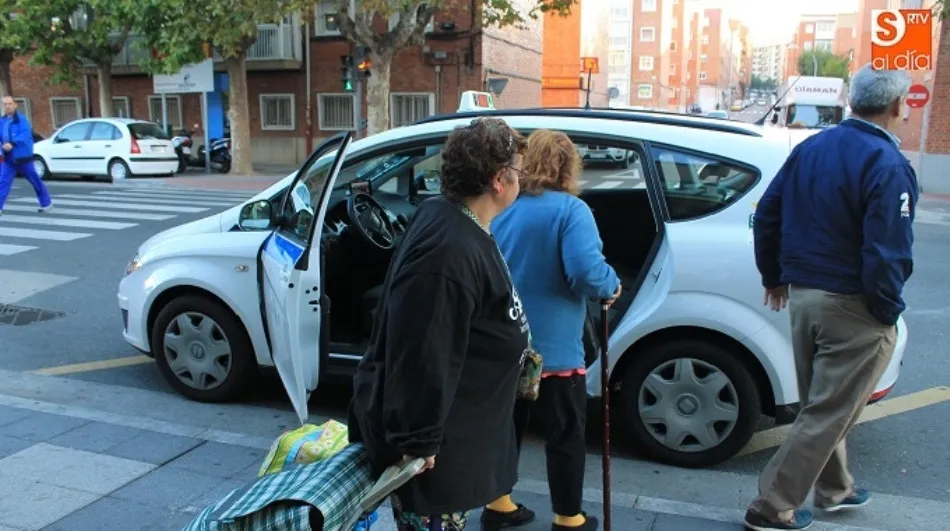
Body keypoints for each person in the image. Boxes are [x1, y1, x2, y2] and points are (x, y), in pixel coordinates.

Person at [745, 64, 916, 531]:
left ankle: (834, 487)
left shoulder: (812, 147)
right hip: (853, 303)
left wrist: (774, 276)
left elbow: (767, 214)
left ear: (852, 102)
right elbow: (887, 251)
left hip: (805, 297)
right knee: (828, 409)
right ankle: (771, 505)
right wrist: (886, 309)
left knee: (821, 404)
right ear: (897, 107)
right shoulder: (888, 163)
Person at [347, 117, 530, 531]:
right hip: (437, 463)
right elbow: (424, 353)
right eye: (518, 171)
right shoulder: (449, 251)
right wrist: (418, 441)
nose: (522, 179)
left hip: (460, 446)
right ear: (499, 180)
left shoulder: (453, 219)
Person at [486, 129, 621, 531]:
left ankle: (499, 504)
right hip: (556, 350)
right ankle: (568, 517)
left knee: (504, 428)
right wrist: (611, 284)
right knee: (564, 435)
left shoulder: (500, 207)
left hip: (504, 344)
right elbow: (586, 273)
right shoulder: (571, 211)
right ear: (568, 166)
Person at [0, 96, 53, 216]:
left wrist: (12, 143)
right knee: (3, 182)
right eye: (5, 104)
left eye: (9, 104)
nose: (7, 106)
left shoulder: (21, 120)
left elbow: (25, 134)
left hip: (23, 158)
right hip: (9, 159)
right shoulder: (2, 121)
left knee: (35, 181)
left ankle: (46, 203)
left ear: (15, 105)